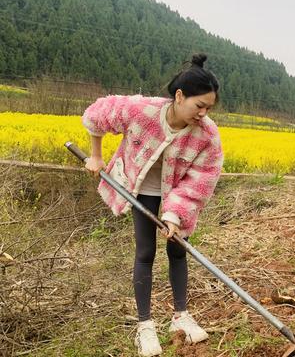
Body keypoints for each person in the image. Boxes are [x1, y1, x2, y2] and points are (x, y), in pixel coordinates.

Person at [82, 54, 223, 356]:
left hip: (178, 190)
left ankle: (180, 316)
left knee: (178, 248)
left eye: (209, 108)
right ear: (180, 95)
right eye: (200, 106)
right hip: (142, 186)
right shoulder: (140, 110)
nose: (204, 113)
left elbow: (202, 178)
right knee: (145, 251)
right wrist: (95, 155)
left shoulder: (207, 134)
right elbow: (97, 114)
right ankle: (145, 325)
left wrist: (175, 215)